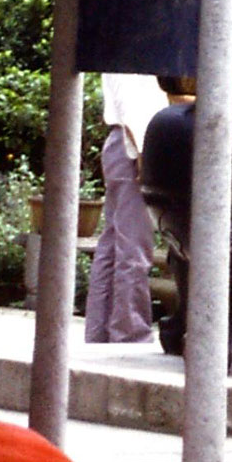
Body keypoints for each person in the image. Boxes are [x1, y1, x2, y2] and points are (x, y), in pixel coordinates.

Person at [84, 73, 166, 345]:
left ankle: (100, 332)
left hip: (125, 144)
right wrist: (144, 153)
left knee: (114, 244)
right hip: (135, 145)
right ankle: (131, 334)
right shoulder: (130, 56)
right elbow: (132, 106)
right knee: (134, 248)